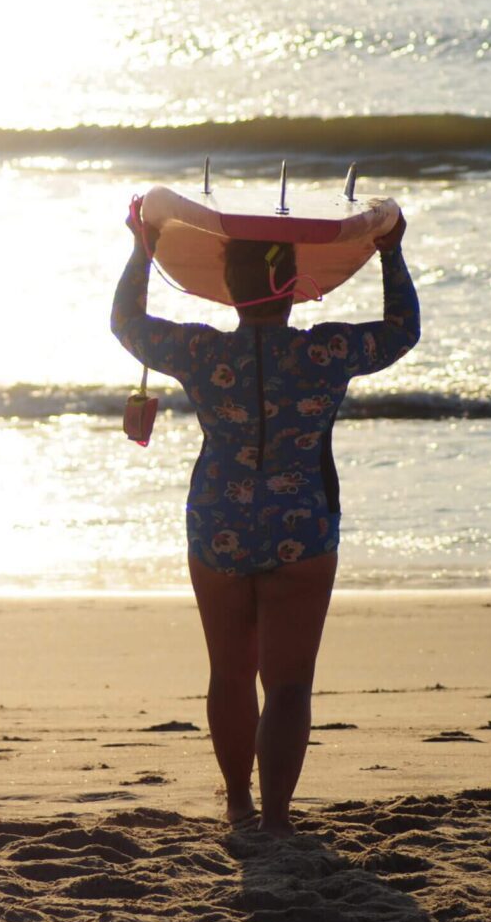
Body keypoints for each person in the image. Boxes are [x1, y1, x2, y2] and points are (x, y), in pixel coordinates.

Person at [110, 200, 418, 837]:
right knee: (288, 685)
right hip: (301, 526)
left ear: (229, 284)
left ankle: (237, 803)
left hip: (217, 520)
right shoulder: (328, 350)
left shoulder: (196, 351)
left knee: (228, 671)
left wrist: (143, 247)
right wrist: (391, 251)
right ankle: (276, 817)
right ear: (293, 284)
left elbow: (127, 323)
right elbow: (400, 330)